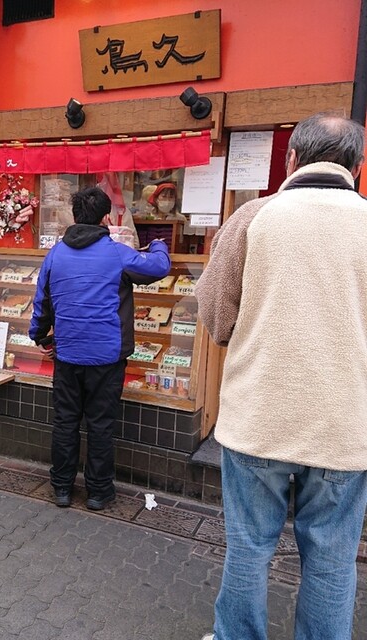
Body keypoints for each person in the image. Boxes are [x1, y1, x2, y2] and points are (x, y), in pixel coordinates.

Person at [195, 112, 367, 640]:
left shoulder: (254, 217)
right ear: (358, 167)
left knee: (249, 547)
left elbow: (216, 317)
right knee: (333, 560)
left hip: (259, 417)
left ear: (291, 159)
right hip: (345, 425)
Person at [29, 186, 171, 510]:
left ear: (74, 216)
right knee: (100, 425)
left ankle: (62, 488)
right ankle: (98, 492)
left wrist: (40, 336)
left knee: (65, 422)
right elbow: (158, 268)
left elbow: (42, 302)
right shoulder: (117, 253)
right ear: (107, 218)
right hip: (107, 357)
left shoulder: (55, 255)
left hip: (67, 355)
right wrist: (159, 245)